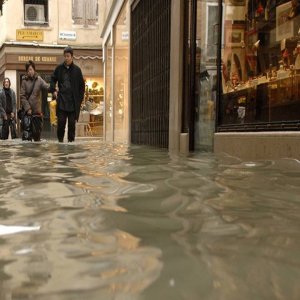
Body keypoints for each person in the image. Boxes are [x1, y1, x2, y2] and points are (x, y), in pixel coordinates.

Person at [49, 46, 85, 142]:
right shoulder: (59, 68)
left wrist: (79, 100)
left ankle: (71, 144)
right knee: (61, 123)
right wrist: (53, 90)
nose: (66, 58)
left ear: (72, 57)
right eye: (65, 56)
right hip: (62, 101)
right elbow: (52, 79)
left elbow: (82, 87)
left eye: (68, 56)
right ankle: (60, 142)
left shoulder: (77, 70)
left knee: (72, 125)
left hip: (73, 103)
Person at [20, 60, 49, 141]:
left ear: (34, 69)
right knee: (27, 137)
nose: (30, 71)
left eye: (31, 69)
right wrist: (28, 108)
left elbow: (47, 86)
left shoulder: (39, 80)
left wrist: (55, 89)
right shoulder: (24, 81)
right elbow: (22, 96)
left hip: (37, 113)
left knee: (37, 137)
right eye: (28, 70)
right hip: (27, 113)